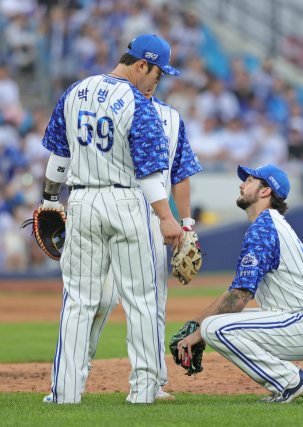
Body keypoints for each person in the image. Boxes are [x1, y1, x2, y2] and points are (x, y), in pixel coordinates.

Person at [40, 34, 183, 404]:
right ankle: (144, 392)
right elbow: (151, 174)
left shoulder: (76, 91)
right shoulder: (138, 102)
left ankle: (65, 394)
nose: (158, 80)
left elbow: (58, 158)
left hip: (82, 200)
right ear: (141, 65)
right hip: (126, 202)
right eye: (158, 72)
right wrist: (167, 219)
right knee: (142, 301)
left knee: (78, 301)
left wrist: (49, 198)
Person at [175, 164, 303, 403]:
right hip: (301, 320)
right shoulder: (270, 224)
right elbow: (235, 291)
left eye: (249, 180)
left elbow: (239, 297)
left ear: (265, 191)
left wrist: (199, 332)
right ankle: (286, 381)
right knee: (211, 325)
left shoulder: (263, 228)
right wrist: (193, 325)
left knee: (214, 328)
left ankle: (290, 380)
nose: (241, 184)